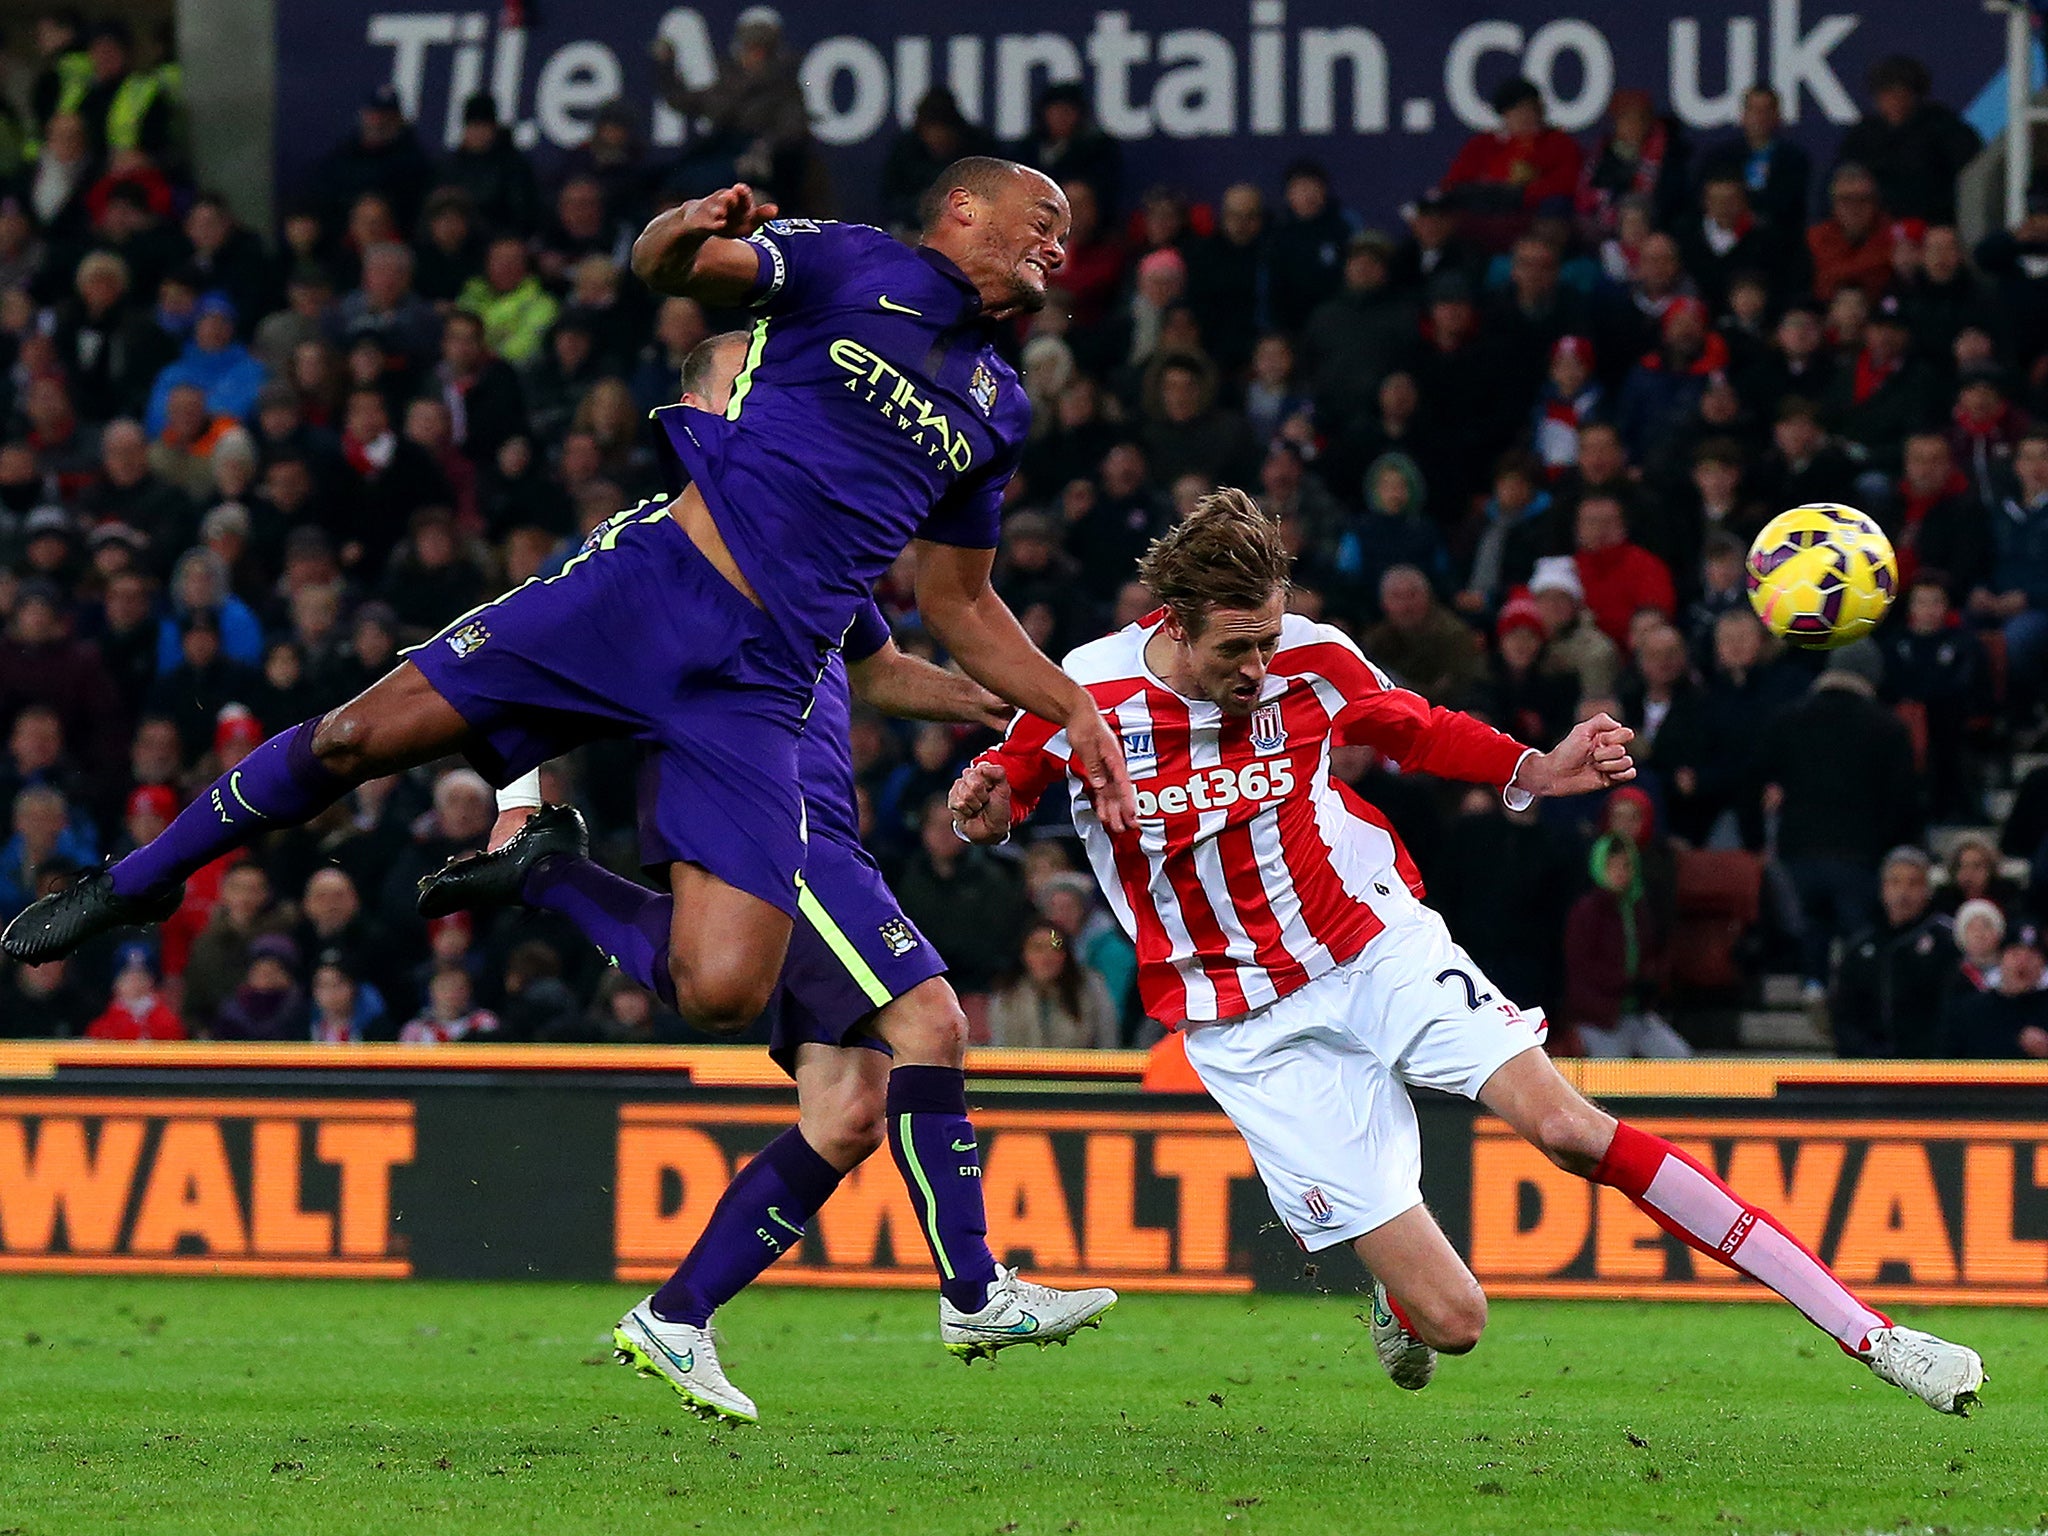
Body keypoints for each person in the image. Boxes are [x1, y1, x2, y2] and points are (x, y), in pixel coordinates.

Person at [950, 491, 1982, 1414]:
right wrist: (984, 806)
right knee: (1454, 1321)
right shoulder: (1082, 691)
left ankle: (1875, 1336)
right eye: (1236, 649)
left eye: (1268, 637)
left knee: (1568, 1129)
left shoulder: (1311, 657)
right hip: (1244, 1024)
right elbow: (1006, 791)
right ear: (1172, 624)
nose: (1259, 667)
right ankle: (1397, 1294)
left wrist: (1537, 766)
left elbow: (1416, 728)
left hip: (1369, 944)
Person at [414, 326, 1117, 1421]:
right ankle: (976, 1291)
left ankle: (677, 1315)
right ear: (707, 408)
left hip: (820, 828)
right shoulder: (659, 543)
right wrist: (517, 795)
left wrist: (999, 702)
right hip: (768, 829)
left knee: (847, 1109)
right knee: (931, 1023)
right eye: (756, 380)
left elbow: (880, 671)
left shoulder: (807, 536)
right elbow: (516, 652)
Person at [1830, 846, 1955, 1058]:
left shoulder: (1947, 940)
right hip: (1870, 1066)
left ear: (1927, 890)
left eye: (1913, 883)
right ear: (1883, 889)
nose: (1903, 893)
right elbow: (1844, 1017)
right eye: (1895, 882)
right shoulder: (1860, 946)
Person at [985, 919, 1119, 1049]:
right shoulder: (1006, 995)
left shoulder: (1091, 988)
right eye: (1038, 948)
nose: (1047, 956)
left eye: (1055, 947)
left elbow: (1107, 1042)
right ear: (1023, 954)